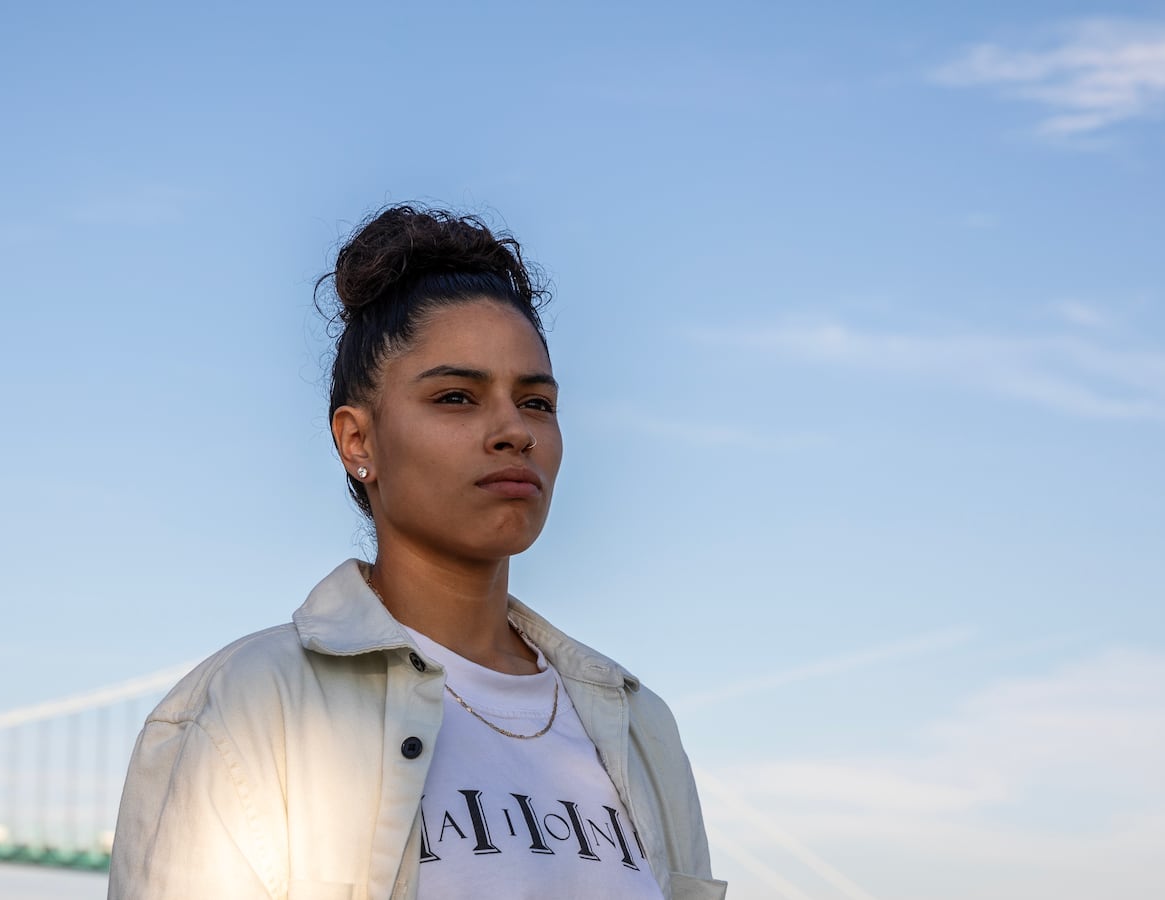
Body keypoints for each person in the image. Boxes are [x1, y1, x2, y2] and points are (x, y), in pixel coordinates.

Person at [107, 205, 724, 900]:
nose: (513, 431)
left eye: (537, 403)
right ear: (357, 441)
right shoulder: (244, 708)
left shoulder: (640, 727)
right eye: (457, 396)